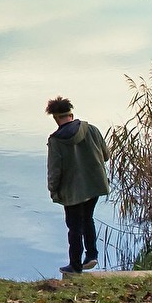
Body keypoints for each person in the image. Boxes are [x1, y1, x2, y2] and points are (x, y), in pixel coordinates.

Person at [46, 96, 109, 276]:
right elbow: (105, 155)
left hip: (72, 190)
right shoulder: (92, 130)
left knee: (74, 227)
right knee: (87, 218)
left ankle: (75, 266)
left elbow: (54, 169)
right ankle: (91, 255)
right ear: (71, 114)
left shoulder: (56, 140)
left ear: (56, 118)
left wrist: (53, 190)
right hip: (94, 185)